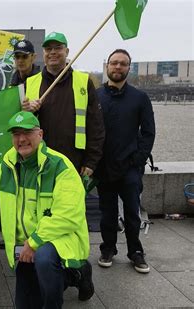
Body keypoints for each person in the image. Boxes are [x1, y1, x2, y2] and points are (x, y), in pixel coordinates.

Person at [0, 111, 94, 308]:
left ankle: (75, 276)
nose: (21, 139)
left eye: (27, 132)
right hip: (25, 246)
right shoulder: (9, 162)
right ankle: (72, 275)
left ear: (40, 134)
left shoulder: (60, 166)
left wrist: (34, 242)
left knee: (45, 261)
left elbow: (68, 216)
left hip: (57, 238)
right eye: (16, 134)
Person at [95, 49, 155, 273]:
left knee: (132, 213)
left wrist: (138, 161)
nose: (117, 67)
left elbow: (148, 132)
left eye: (123, 64)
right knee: (107, 213)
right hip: (104, 167)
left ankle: (136, 252)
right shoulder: (96, 96)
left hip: (130, 167)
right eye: (114, 63)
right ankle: (107, 249)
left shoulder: (140, 98)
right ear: (107, 67)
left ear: (129, 68)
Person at [24, 32, 105, 177]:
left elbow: (96, 125)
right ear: (43, 53)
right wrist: (29, 112)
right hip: (39, 160)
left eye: (58, 48)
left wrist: (91, 161)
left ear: (66, 51)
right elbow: (21, 126)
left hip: (74, 161)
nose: (53, 52)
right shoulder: (30, 83)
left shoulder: (84, 82)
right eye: (48, 49)